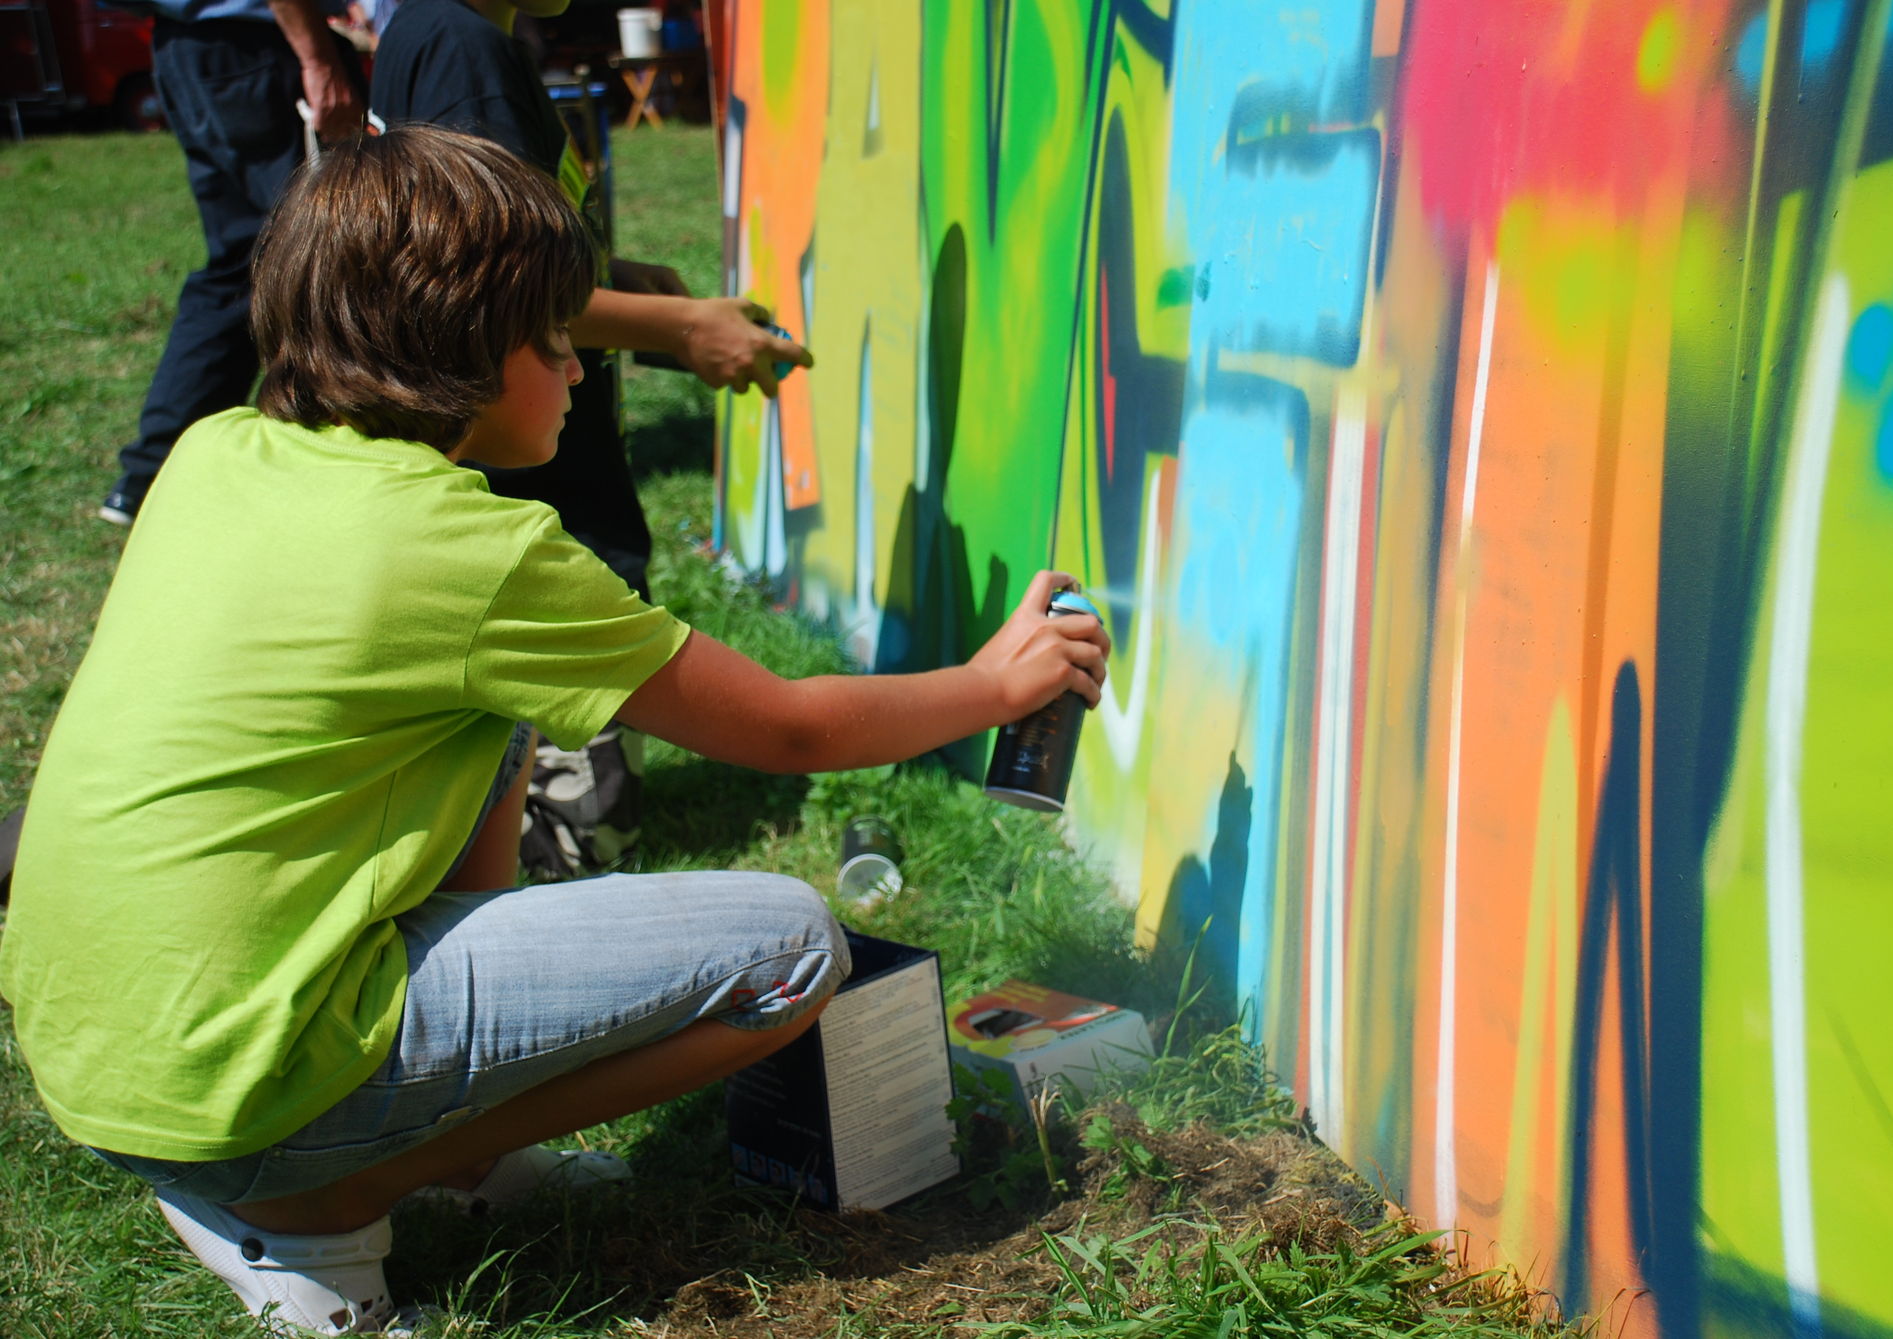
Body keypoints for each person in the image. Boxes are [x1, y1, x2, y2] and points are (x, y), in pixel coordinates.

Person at [0, 128, 1109, 1336]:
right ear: (465, 356)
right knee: (791, 947)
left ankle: (410, 1156)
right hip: (233, 1070)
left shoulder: (220, 451)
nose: (577, 369)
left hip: (102, 1052)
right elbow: (788, 730)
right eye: (552, 341)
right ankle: (323, 1203)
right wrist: (996, 687)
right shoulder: (467, 553)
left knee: (502, 717)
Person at [370, 0, 805, 879]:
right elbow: (497, 288)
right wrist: (679, 327)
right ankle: (547, 870)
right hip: (542, 489)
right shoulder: (466, 50)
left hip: (519, 462)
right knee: (576, 843)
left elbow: (506, 258)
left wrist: (627, 288)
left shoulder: (442, 30)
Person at [100, 0, 366, 526]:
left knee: (240, 263)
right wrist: (318, 59)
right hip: (259, 51)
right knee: (319, 258)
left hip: (187, 50)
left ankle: (153, 473)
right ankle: (338, 455)